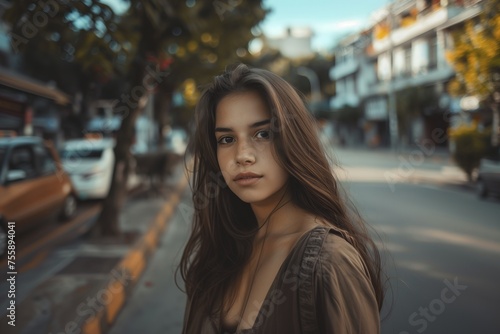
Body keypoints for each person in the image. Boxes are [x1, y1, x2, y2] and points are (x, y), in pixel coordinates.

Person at [179, 64, 384, 333]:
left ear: (293, 139)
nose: (242, 155)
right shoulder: (225, 247)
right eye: (227, 139)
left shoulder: (329, 262)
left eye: (263, 134)